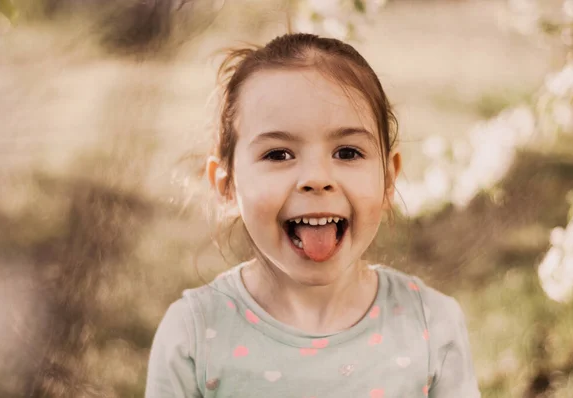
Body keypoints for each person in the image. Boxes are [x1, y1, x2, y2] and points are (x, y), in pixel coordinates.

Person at [145, 33, 481, 398]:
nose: (317, 179)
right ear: (227, 186)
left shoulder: (432, 326)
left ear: (388, 178)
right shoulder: (193, 337)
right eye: (278, 155)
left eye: (348, 152)